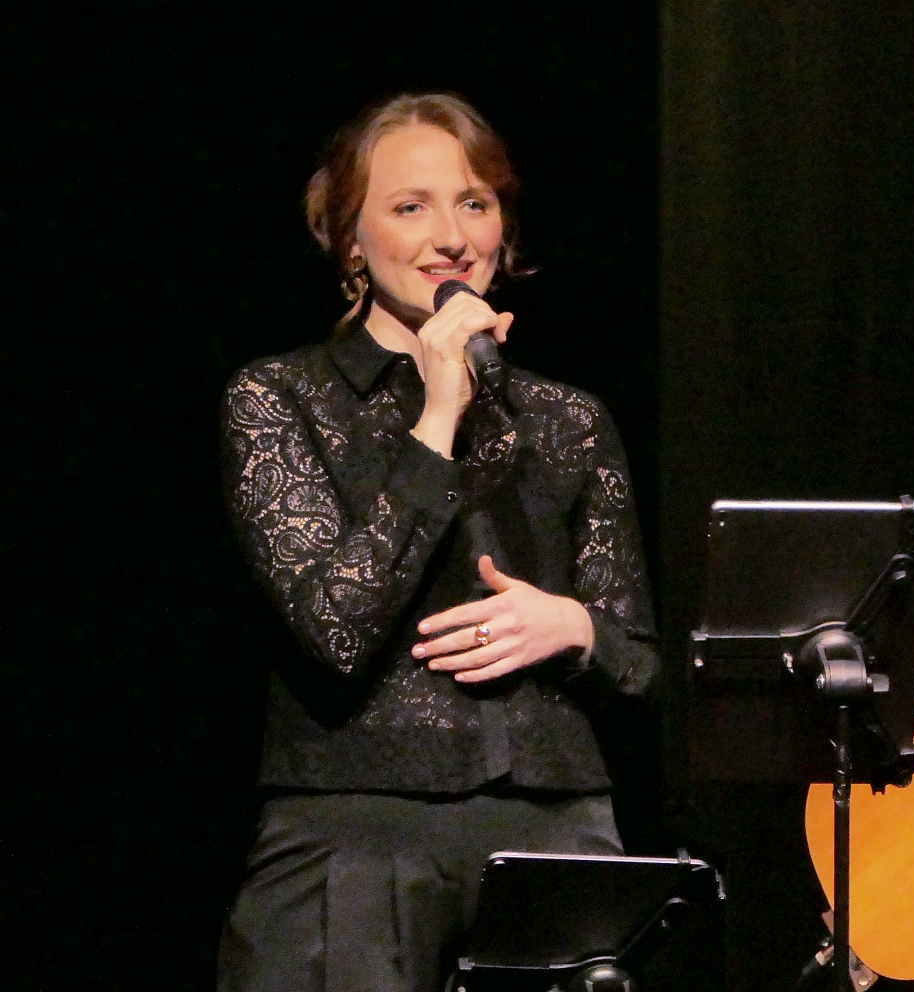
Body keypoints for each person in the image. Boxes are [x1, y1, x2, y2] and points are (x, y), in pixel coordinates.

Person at [216, 93, 657, 992]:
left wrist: (574, 629)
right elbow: (335, 627)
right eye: (410, 206)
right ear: (350, 238)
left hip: (552, 832)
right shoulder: (280, 398)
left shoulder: (568, 419)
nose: (451, 237)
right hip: (355, 837)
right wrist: (440, 412)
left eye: (474, 203)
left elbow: (642, 666)